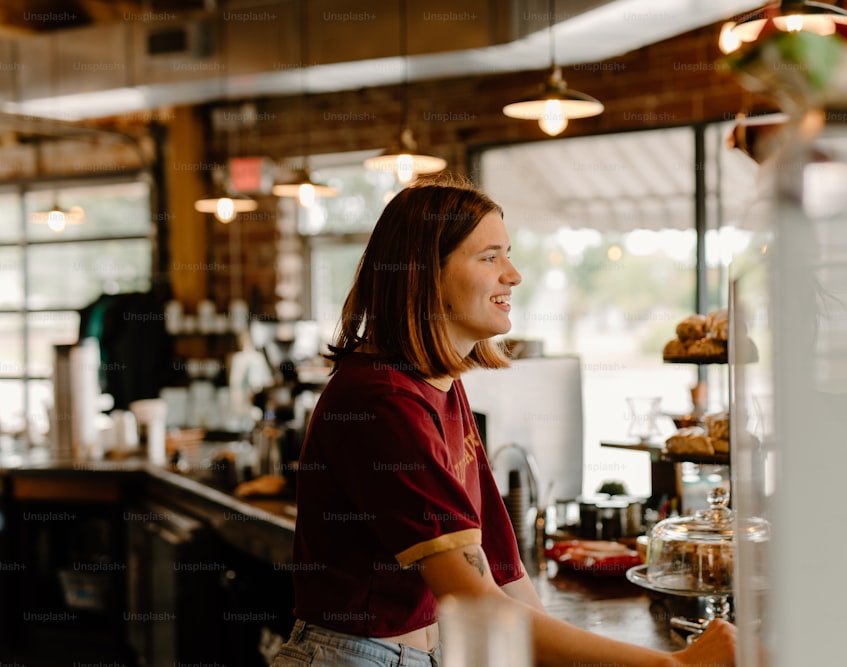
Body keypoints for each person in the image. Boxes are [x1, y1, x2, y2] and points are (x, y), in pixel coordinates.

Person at [271, 177, 737, 667]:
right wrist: (675, 665)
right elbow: (479, 604)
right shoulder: (382, 399)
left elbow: (503, 570)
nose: (512, 275)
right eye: (490, 257)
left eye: (508, 254)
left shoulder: (442, 387)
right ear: (424, 274)